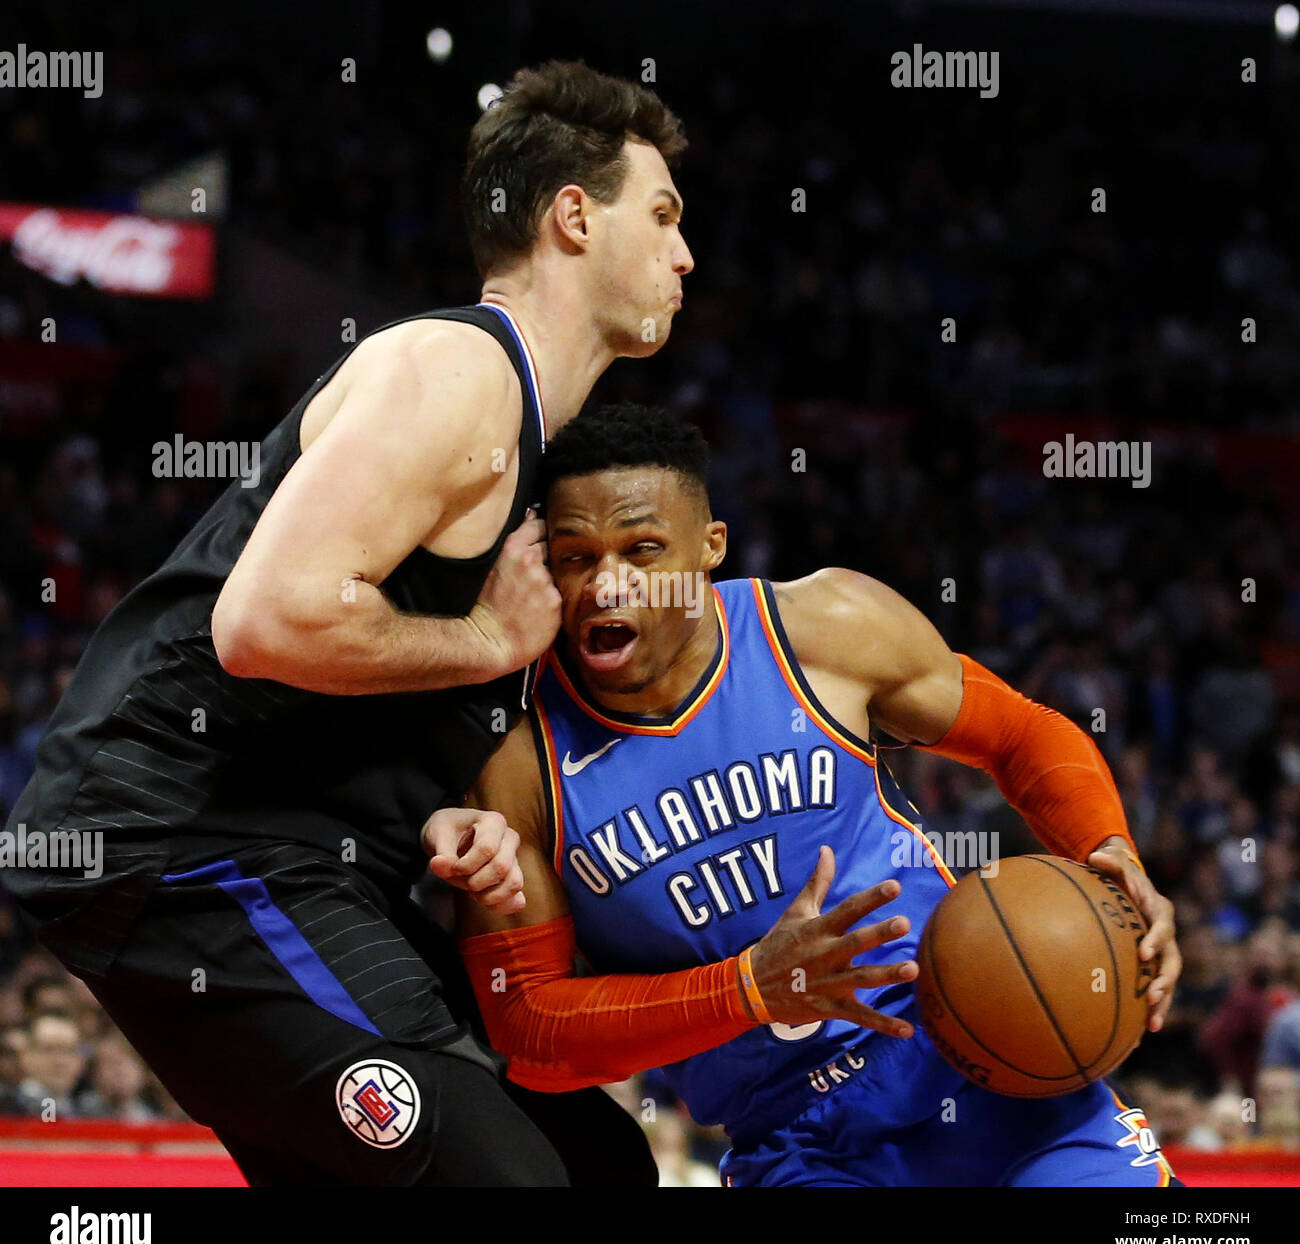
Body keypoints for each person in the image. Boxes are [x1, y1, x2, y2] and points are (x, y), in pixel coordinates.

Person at [0, 61, 693, 1185]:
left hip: (307, 861)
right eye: (660, 215)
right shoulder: (458, 369)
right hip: (183, 845)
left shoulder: (528, 443)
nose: (683, 254)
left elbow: (345, 690)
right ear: (573, 215)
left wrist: (439, 820)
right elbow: (266, 620)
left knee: (603, 1163)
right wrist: (485, 645)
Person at [435, 403, 1185, 1186]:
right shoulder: (518, 766)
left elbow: (1020, 735)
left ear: (709, 549)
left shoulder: (823, 628)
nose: (606, 583)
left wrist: (1106, 847)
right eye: (575, 557)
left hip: (985, 1060)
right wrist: (749, 988)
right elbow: (529, 1032)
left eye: (643, 550)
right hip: (798, 1139)